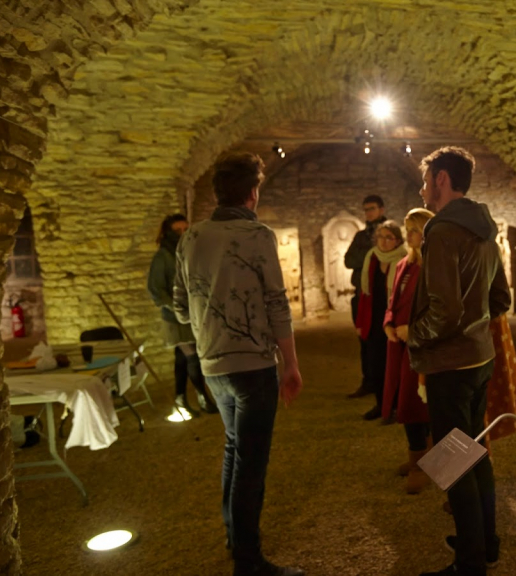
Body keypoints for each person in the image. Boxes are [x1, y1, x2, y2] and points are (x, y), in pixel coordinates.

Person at [173, 152, 305, 576]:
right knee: (251, 461)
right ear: (253, 192)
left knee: (233, 448)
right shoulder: (257, 235)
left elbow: (178, 307)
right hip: (252, 365)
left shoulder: (191, 238)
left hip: (213, 364)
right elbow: (276, 304)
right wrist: (291, 364)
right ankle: (249, 561)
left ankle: (235, 539)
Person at [408, 147, 511, 576]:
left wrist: (413, 336)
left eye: (428, 179)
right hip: (478, 358)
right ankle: (482, 542)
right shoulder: (484, 226)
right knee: (474, 452)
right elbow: (500, 298)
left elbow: (444, 311)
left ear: (443, 180)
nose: (423, 187)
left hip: (449, 363)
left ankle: (469, 564)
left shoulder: (443, 231)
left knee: (455, 462)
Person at [383, 208, 434, 493]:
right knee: (405, 401)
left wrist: (413, 331)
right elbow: (394, 300)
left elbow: (440, 310)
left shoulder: (432, 267)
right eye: (408, 230)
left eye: (415, 230)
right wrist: (389, 323)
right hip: (401, 347)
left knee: (416, 404)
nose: (409, 235)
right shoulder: (405, 264)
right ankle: (418, 457)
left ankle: (421, 463)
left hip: (422, 347)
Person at [148, 213, 216, 417]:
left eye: (186, 230)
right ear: (168, 233)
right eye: (178, 231)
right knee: (192, 356)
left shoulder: (187, 253)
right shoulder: (163, 257)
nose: (183, 234)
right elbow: (156, 289)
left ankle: (180, 399)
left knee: (181, 359)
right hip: (174, 319)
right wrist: (177, 307)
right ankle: (203, 397)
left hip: (191, 316)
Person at [355, 220, 408, 421]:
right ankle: (381, 404)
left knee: (395, 365)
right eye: (381, 237)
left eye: (389, 237)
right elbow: (365, 294)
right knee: (376, 365)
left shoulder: (404, 259)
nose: (384, 242)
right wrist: (360, 323)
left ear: (397, 240)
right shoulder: (372, 258)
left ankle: (396, 406)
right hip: (374, 319)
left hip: (394, 319)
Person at [344, 195, 388, 399]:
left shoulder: (389, 233)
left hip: (382, 296)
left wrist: (368, 255)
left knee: (383, 341)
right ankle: (368, 380)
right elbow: (348, 260)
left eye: (371, 208)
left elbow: (387, 256)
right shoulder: (361, 236)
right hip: (361, 295)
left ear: (381, 209)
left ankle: (384, 382)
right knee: (364, 339)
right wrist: (371, 254)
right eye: (366, 209)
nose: (368, 213)